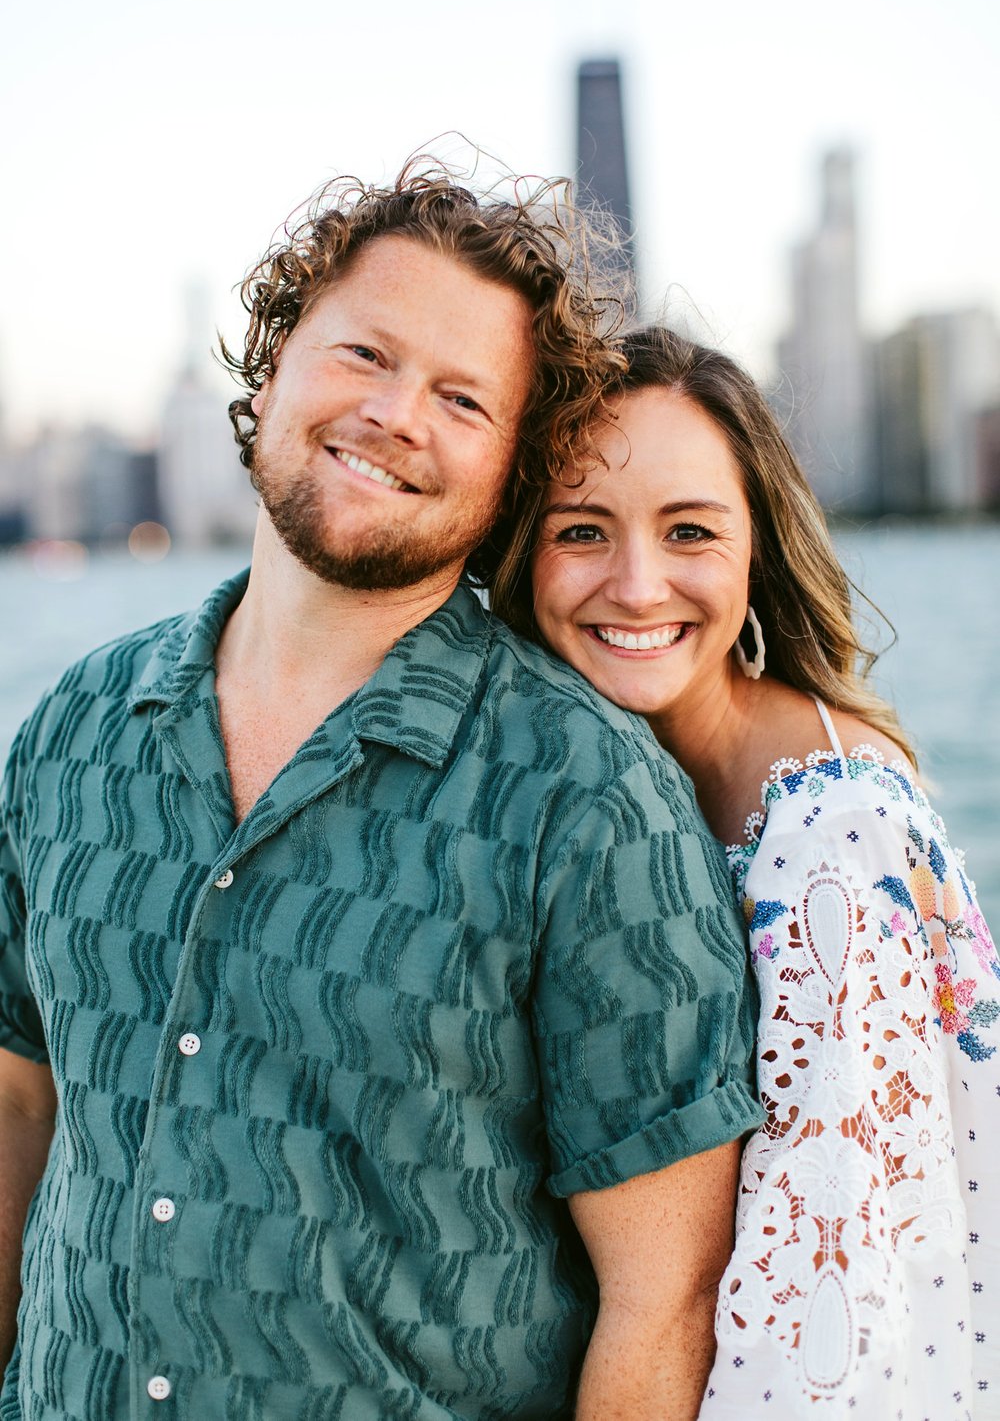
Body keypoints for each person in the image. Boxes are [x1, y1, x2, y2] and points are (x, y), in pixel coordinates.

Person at [0, 174, 763, 1421]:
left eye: (464, 398)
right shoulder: (75, 729)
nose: (397, 413)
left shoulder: (587, 800)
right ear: (276, 358)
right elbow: (21, 1102)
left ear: (510, 465)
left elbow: (664, 1295)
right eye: (365, 352)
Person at [491, 323, 1000, 1420]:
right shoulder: (586, 786)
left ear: (755, 550)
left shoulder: (832, 827)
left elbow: (839, 1282)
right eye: (582, 529)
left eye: (689, 532)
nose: (636, 585)